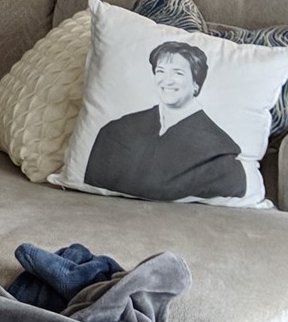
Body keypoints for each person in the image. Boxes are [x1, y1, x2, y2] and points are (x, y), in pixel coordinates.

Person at [84, 40, 247, 201]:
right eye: (160, 71)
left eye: (178, 73)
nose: (166, 80)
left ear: (196, 83)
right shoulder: (116, 131)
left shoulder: (221, 152)